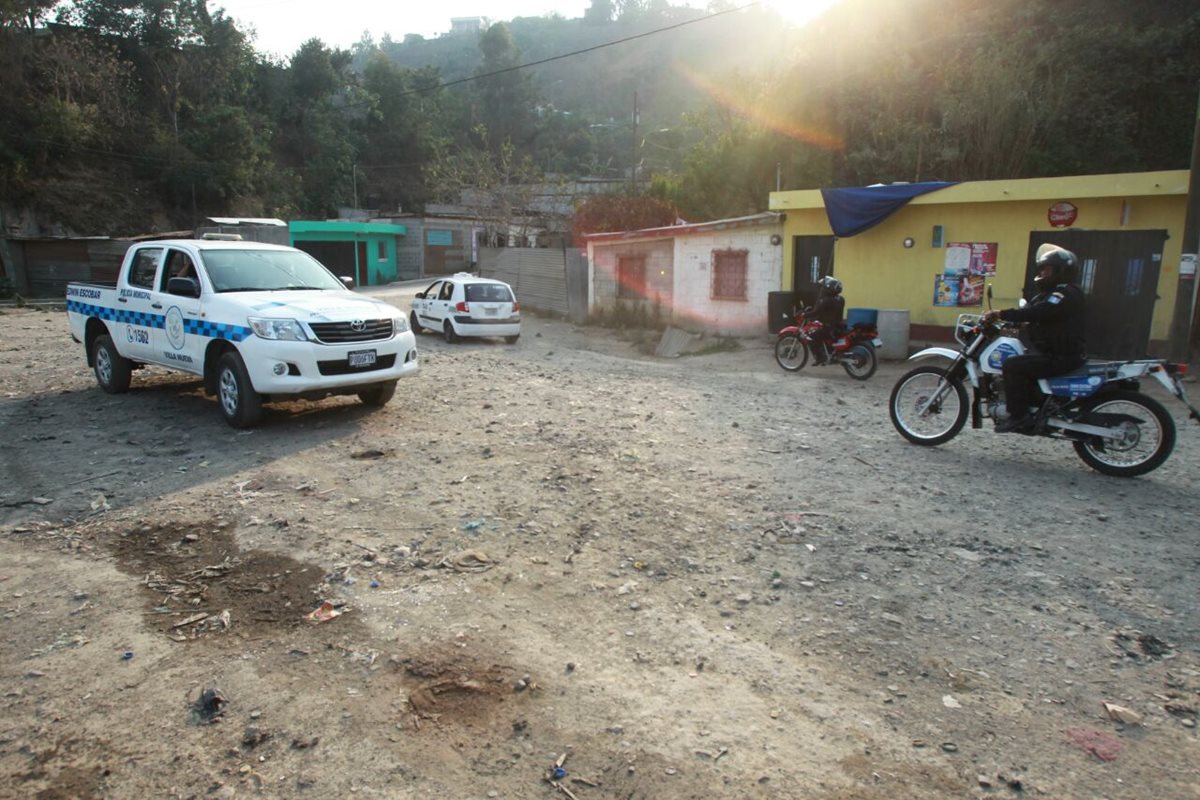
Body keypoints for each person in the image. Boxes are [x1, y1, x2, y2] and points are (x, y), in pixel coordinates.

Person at [982, 244, 1087, 433]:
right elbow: (1045, 317)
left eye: (1048, 270)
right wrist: (1019, 322)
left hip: (1060, 356)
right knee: (1022, 361)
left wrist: (1002, 314)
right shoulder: (1064, 293)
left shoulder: (1064, 293)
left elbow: (1041, 312)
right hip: (1059, 353)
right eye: (1043, 270)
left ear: (1061, 272)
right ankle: (1033, 406)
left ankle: (1018, 416)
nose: (1043, 274)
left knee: (1013, 365)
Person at [808, 275, 845, 365]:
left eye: (824, 287)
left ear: (829, 288)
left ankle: (820, 358)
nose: (822, 289)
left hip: (829, 327)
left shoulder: (826, 300)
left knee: (811, 337)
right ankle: (830, 353)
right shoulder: (841, 299)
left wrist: (805, 314)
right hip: (839, 325)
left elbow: (816, 312)